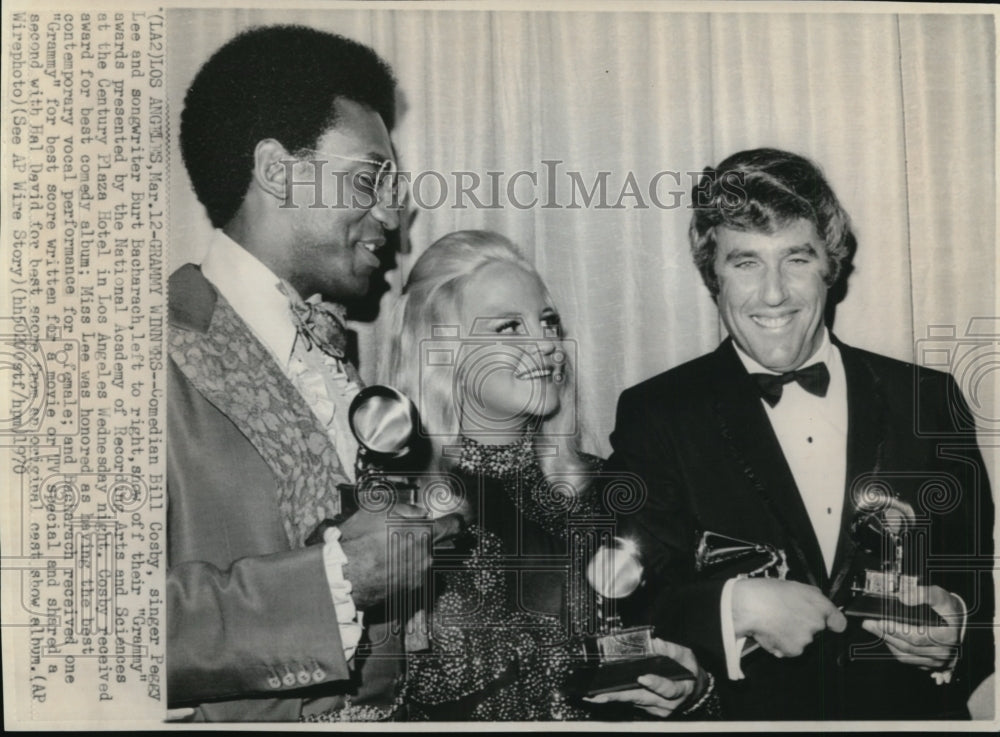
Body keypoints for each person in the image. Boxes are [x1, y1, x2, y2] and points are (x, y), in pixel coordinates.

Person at [608, 148, 995, 720]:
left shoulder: (929, 401)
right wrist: (734, 606)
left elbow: (976, 585)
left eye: (795, 259)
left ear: (829, 266)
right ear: (712, 275)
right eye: (745, 263)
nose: (773, 294)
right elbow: (629, 603)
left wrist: (955, 630)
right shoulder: (658, 413)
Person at [166, 25, 460, 721]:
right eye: (368, 178)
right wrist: (336, 580)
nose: (393, 213)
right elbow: (82, 635)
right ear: (276, 170)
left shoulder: (341, 364)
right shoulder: (125, 359)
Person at [381, 230, 719, 720]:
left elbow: (675, 656)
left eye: (548, 323)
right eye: (509, 328)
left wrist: (691, 689)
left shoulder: (609, 491)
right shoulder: (396, 508)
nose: (545, 345)